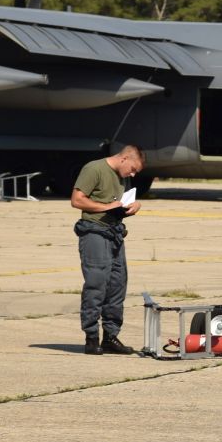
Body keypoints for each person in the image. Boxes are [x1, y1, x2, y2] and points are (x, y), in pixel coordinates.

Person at [70, 145, 144, 354]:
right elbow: (77, 200)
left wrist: (134, 206)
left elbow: (119, 201)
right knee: (97, 283)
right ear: (124, 158)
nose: (132, 174)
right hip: (94, 232)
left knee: (117, 284)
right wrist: (107, 208)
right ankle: (91, 338)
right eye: (133, 169)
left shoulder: (122, 176)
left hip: (114, 234)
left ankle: (110, 337)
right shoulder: (94, 169)